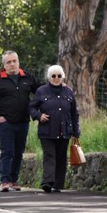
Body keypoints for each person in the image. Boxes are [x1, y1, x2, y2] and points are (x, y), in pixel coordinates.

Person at [0, 50, 41, 192]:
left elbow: (41, 92)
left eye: (14, 61)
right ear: (4, 65)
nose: (12, 64)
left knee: (18, 152)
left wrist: (58, 87)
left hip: (23, 121)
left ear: (18, 62)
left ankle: (14, 180)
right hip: (6, 123)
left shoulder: (28, 78)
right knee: (7, 151)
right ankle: (4, 181)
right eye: (9, 62)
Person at [29, 64, 80, 193]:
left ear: (63, 77)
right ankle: (47, 182)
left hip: (64, 130)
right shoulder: (41, 91)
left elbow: (74, 113)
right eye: (53, 76)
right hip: (47, 131)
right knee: (49, 155)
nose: (56, 78)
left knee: (61, 158)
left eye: (59, 76)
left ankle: (57, 184)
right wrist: (39, 116)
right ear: (49, 77)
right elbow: (32, 107)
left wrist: (76, 131)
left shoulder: (68, 91)